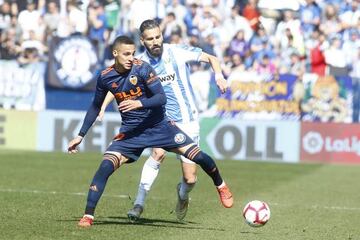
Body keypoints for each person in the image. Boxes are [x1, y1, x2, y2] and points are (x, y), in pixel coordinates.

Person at [68, 35, 233, 228]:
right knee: (105, 166)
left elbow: (161, 98)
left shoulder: (143, 68)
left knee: (199, 157)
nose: (131, 58)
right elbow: (95, 106)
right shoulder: (105, 76)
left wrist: (139, 103)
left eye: (133, 53)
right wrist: (80, 135)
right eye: (126, 54)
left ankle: (221, 185)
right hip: (132, 132)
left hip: (160, 126)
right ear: (115, 54)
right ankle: (88, 215)